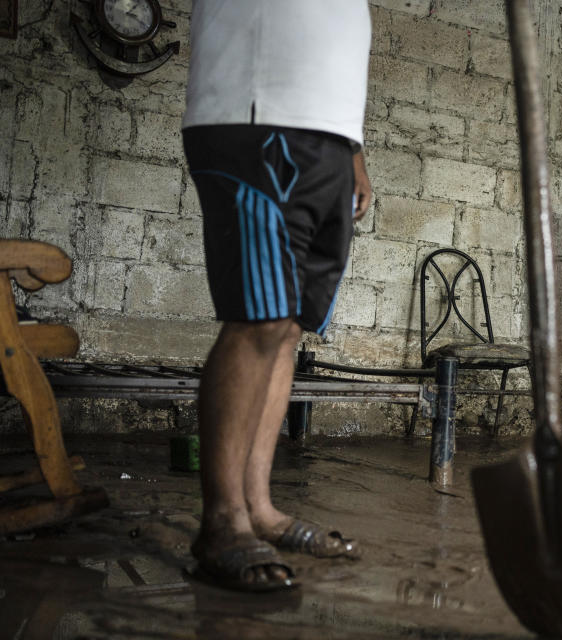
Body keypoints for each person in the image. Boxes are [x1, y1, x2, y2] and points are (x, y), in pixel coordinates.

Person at [181, 0, 372, 592]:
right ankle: (222, 520)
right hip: (255, 110)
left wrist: (354, 150)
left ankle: (259, 508)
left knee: (288, 330)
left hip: (331, 135)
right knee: (258, 321)